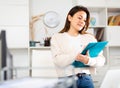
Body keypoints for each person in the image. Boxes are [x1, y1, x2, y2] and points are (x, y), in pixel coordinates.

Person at [51, 5, 105, 88]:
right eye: (79, 18)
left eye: (84, 20)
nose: (82, 22)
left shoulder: (90, 38)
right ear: (70, 18)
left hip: (86, 79)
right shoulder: (57, 37)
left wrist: (88, 60)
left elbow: (101, 60)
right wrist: (75, 56)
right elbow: (58, 61)